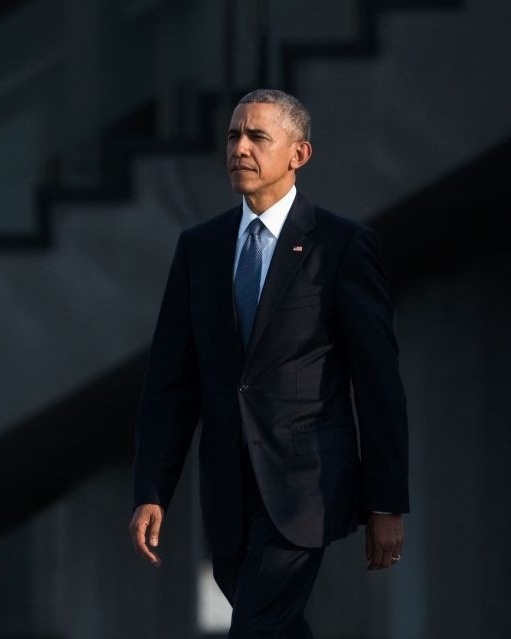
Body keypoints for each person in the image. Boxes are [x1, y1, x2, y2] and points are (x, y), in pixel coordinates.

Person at [127, 89, 408, 638]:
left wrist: (386, 501)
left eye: (258, 136)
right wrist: (152, 489)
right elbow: (170, 384)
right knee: (274, 627)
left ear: (298, 154)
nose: (240, 148)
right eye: (234, 135)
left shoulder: (341, 245)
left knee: (257, 627)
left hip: (307, 486)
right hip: (228, 487)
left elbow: (378, 383)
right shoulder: (199, 248)